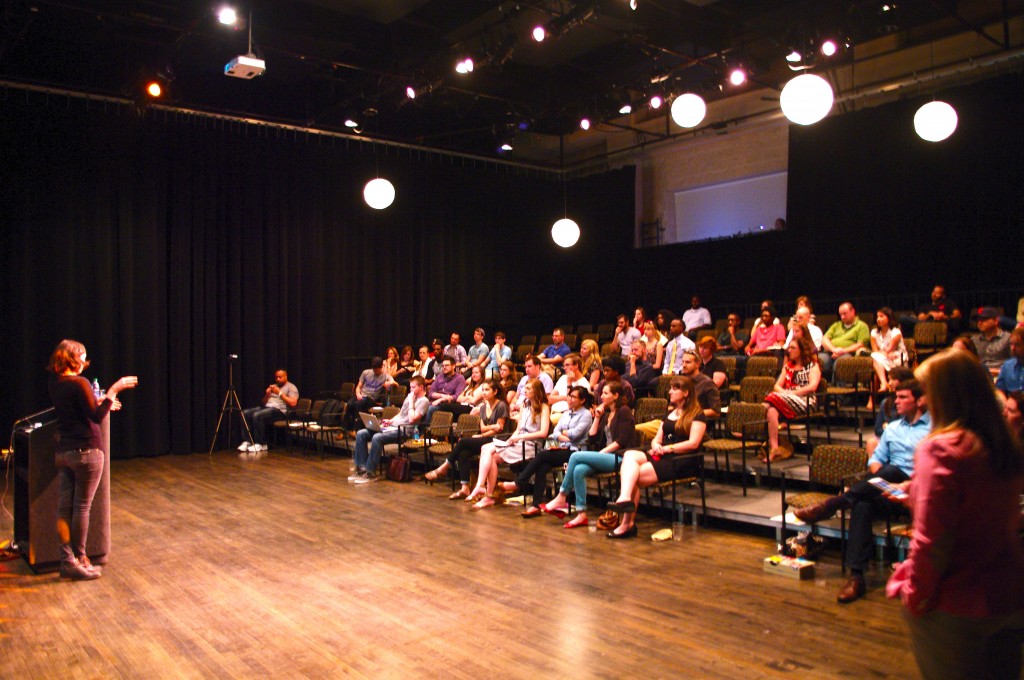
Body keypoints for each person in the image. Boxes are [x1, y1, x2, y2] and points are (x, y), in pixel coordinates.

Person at [886, 350, 1024, 679]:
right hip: (1009, 593)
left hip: (957, 601)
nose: (923, 402)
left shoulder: (941, 448)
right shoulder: (1001, 444)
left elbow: (933, 540)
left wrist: (915, 596)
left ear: (945, 395)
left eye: (928, 393)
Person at [795, 380, 930, 603]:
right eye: (896, 396)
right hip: (888, 491)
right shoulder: (893, 428)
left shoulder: (933, 428)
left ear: (919, 400)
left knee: (892, 471)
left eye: (903, 397)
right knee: (863, 503)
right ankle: (857, 577)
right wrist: (879, 477)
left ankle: (833, 505)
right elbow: (876, 460)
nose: (896, 401)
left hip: (916, 493)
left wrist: (893, 479)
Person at [47, 339, 138, 580]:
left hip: (64, 453)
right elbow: (96, 417)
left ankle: (67, 560)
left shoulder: (56, 383)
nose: (85, 363)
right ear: (73, 358)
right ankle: (81, 559)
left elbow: (79, 408)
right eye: (83, 357)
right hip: (86, 452)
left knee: (64, 509)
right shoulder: (80, 383)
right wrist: (112, 391)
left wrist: (100, 401)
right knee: (82, 508)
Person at [605, 376, 707, 538]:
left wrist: (667, 449)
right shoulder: (670, 413)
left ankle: (627, 524)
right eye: (670, 388)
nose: (670, 391)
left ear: (686, 393)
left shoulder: (697, 415)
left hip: (682, 459)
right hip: (663, 454)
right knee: (630, 455)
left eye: (674, 388)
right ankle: (624, 499)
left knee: (634, 475)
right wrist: (656, 446)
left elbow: (693, 444)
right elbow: (657, 439)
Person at [541, 381, 636, 528]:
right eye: (601, 393)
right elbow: (592, 438)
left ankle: (562, 495)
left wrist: (602, 453)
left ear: (616, 395)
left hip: (622, 458)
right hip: (606, 456)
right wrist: (597, 418)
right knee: (579, 470)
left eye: (606, 393)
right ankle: (581, 514)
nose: (601, 396)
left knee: (575, 456)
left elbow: (621, 441)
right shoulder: (606, 414)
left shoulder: (624, 411)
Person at [499, 386, 594, 517]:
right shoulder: (566, 413)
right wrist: (562, 435)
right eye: (569, 396)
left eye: (573, 397)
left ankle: (518, 483)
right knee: (542, 467)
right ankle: (535, 506)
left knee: (542, 454)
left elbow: (576, 435)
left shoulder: (586, 414)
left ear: (582, 400)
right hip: (562, 448)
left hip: (576, 452)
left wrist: (564, 434)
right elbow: (555, 432)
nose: (569, 399)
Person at [467, 379, 550, 509]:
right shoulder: (525, 405)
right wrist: (510, 440)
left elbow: (543, 433)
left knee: (486, 449)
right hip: (519, 442)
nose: (524, 391)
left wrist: (520, 437)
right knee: (489, 454)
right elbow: (518, 429)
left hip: (530, 445)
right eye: (525, 388)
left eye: (528, 388)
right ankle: (487, 494)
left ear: (536, 391)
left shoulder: (544, 407)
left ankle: (482, 488)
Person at [425, 378, 508, 497]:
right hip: (487, 437)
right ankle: (465, 488)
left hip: (499, 439)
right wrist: (489, 429)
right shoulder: (483, 407)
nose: (484, 392)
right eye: (483, 390)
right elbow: (484, 427)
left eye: (487, 390)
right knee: (463, 453)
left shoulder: (501, 405)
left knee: (463, 442)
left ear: (495, 392)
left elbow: (500, 428)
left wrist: (483, 433)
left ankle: (444, 467)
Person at [349, 375, 429, 484]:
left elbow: (411, 420)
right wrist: (390, 421)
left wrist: (411, 402)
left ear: (421, 387)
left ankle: (370, 473)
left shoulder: (424, 401)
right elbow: (401, 414)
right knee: (361, 433)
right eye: (410, 387)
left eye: (413, 387)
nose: (411, 390)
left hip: (404, 430)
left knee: (377, 438)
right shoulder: (410, 397)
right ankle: (361, 469)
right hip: (393, 427)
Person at [762, 334, 821, 462]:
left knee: (769, 399)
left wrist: (792, 394)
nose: (789, 351)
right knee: (771, 411)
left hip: (805, 400)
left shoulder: (813, 366)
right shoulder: (788, 366)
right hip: (785, 399)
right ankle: (775, 448)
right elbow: (777, 385)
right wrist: (785, 393)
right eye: (789, 348)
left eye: (793, 348)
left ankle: (751, 421)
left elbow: (812, 387)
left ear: (801, 351)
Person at [241, 369, 300, 452]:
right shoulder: (274, 386)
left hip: (280, 411)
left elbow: (293, 403)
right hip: (267, 408)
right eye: (276, 377)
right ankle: (247, 441)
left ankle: (261, 444)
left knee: (257, 415)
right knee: (245, 413)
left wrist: (279, 393)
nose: (278, 379)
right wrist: (267, 394)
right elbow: (263, 403)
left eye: (280, 377)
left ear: (286, 376)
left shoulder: (291, 387)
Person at [820, 301, 870, 377]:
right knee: (820, 360)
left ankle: (839, 388)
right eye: (840, 314)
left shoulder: (862, 326)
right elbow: (824, 339)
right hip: (831, 352)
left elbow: (861, 344)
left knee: (841, 362)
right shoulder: (836, 325)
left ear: (852, 311)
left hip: (848, 353)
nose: (842, 317)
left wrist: (842, 351)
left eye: (845, 313)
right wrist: (834, 350)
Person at [342, 357, 393, 432]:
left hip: (371, 398)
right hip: (361, 395)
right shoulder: (366, 373)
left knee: (358, 404)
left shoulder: (385, 376)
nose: (375, 371)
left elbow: (395, 383)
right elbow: (358, 387)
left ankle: (357, 430)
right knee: (349, 404)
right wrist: (358, 393)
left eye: (377, 369)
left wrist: (389, 383)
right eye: (374, 369)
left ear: (381, 367)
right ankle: (346, 429)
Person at [869, 307, 907, 392]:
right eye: (877, 317)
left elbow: (889, 350)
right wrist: (884, 354)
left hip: (897, 358)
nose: (878, 319)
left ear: (889, 318)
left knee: (875, 363)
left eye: (881, 316)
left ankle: (881, 387)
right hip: (882, 358)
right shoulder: (874, 332)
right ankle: (884, 383)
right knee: (875, 357)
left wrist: (884, 354)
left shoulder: (896, 332)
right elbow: (875, 350)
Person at [547, 353, 591, 424]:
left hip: (570, 416)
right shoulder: (563, 378)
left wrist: (569, 383)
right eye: (564, 365)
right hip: (553, 411)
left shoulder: (584, 384)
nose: (564, 368)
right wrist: (563, 398)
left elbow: (571, 404)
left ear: (576, 365)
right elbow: (549, 399)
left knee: (554, 419)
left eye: (567, 365)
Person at [425, 355, 467, 421]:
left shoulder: (460, 378)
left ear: (453, 366)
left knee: (430, 409)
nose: (444, 367)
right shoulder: (440, 376)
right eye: (443, 365)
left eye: (447, 365)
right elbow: (431, 393)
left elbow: (457, 396)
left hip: (447, 405)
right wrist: (442, 396)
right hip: (434, 402)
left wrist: (443, 399)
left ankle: (426, 430)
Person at [971, 307, 1011, 374]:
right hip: (981, 376)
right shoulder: (974, 340)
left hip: (1002, 376)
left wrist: (998, 372)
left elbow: (1016, 364)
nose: (979, 323)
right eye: (978, 320)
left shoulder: (1008, 338)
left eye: (983, 319)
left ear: (996, 321)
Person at [996, 327, 1024, 396]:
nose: (1012, 348)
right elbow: (1000, 391)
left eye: (1017, 345)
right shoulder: (1007, 365)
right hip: (1009, 403)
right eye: (1011, 344)